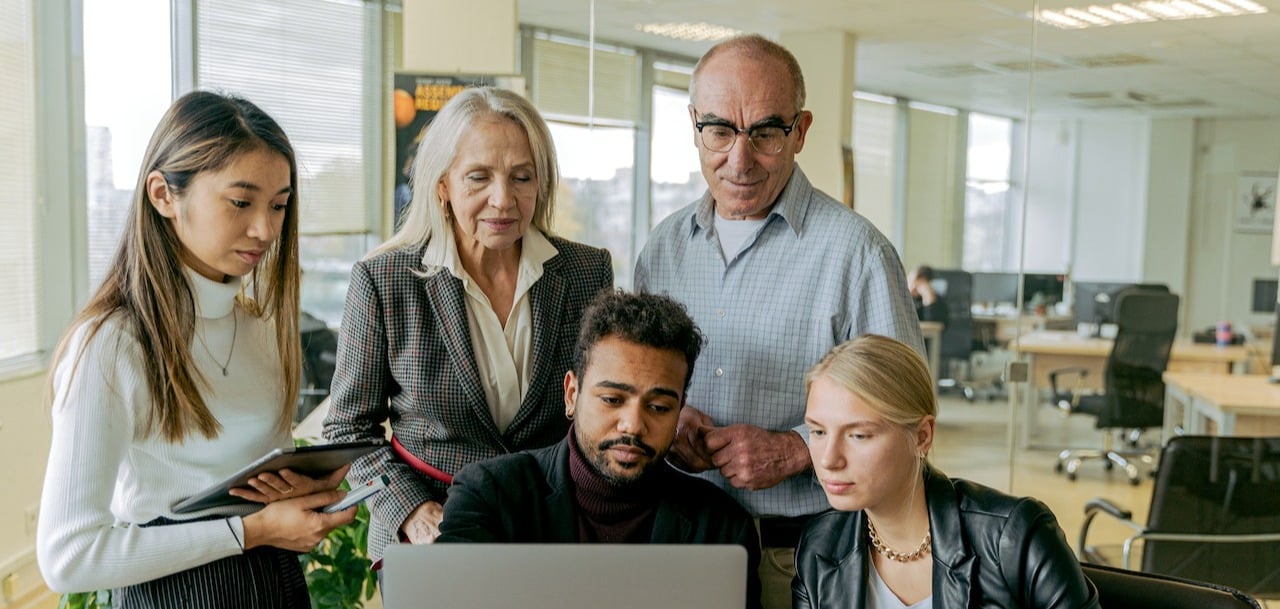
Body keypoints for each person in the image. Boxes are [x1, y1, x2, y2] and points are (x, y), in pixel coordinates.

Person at [633, 34, 923, 607]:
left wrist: (796, 450)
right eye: (719, 130)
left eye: (765, 132)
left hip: (803, 556)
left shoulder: (858, 254)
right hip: (680, 544)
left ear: (801, 130)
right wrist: (667, 419)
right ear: (694, 125)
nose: (739, 160)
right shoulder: (663, 248)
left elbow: (909, 423)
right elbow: (636, 386)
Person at [37, 91, 355, 607]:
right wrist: (248, 532)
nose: (266, 229)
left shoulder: (261, 328)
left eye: (278, 206)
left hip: (275, 585)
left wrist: (301, 490)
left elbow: (247, 480)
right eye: (240, 202)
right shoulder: (111, 345)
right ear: (164, 195)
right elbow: (68, 556)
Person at [323, 86, 614, 567]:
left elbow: (596, 406)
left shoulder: (587, 273)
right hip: (432, 533)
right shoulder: (385, 280)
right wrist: (412, 510)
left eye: (522, 177)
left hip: (548, 528)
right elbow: (347, 429)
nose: (503, 200)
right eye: (478, 178)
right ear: (442, 185)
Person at [437, 290, 761, 608]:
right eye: (612, 400)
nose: (633, 425)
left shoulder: (720, 528)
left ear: (680, 410)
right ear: (571, 394)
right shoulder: (489, 494)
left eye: (659, 407)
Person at [793, 334, 1099, 609]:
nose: (829, 459)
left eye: (858, 435)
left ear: (922, 437)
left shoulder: (1014, 538)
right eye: (818, 432)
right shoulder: (820, 547)